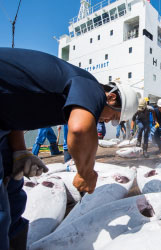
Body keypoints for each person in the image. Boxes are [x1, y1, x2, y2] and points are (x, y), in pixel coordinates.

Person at [0, 47, 138, 250]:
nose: (108, 121)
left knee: (13, 194)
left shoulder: (73, 90)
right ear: (111, 98)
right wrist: (86, 173)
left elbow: (14, 109)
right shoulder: (92, 88)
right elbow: (80, 129)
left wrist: (20, 151)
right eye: (114, 117)